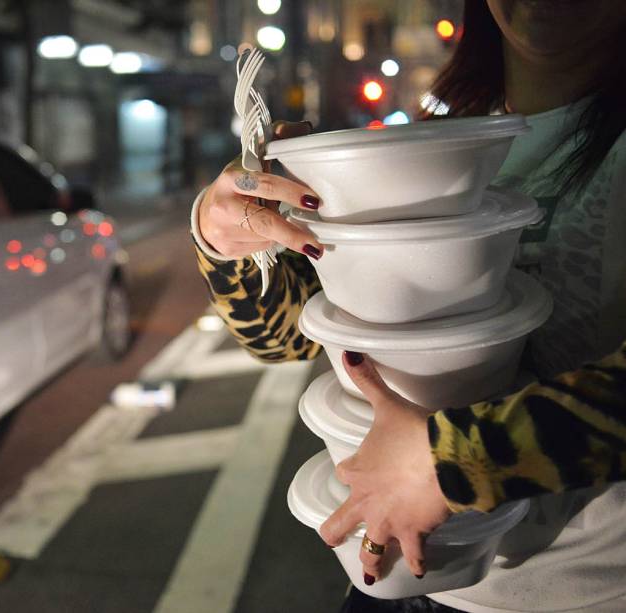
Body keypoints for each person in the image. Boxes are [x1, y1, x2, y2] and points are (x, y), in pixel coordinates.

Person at [190, 0, 626, 611]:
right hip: (396, 573)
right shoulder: (435, 138)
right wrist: (226, 239)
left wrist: (457, 457)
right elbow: (285, 338)